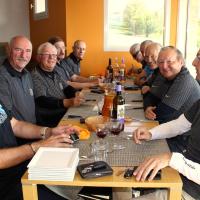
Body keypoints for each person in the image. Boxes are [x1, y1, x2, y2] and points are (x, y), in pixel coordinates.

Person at [0, 98, 79, 200]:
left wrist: (48, 132)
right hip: (6, 185)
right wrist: (35, 147)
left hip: (19, 168)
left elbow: (15, 125)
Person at [132, 100, 200, 200]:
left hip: (191, 193)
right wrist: (151, 133)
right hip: (178, 175)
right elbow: (179, 125)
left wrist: (172, 159)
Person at [31, 42, 85, 127]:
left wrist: (76, 93)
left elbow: (67, 88)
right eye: (47, 54)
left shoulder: (55, 71)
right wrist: (67, 102)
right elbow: (41, 100)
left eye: (54, 55)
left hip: (64, 112)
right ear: (39, 57)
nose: (51, 57)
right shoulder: (35, 75)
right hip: (51, 119)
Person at [144, 46, 200, 124]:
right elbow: (150, 97)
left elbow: (162, 113)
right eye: (161, 62)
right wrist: (148, 107)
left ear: (181, 62)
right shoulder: (164, 76)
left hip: (183, 134)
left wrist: (148, 110)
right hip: (169, 128)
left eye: (169, 62)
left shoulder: (185, 81)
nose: (164, 66)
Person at [0, 36, 36, 124]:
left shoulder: (27, 74)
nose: (23, 55)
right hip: (16, 135)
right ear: (9, 50)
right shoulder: (2, 77)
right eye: (18, 49)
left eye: (28, 51)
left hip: (32, 130)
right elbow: (6, 119)